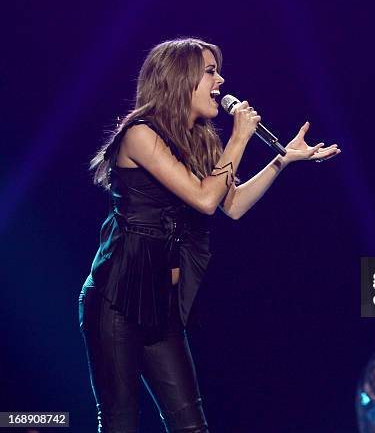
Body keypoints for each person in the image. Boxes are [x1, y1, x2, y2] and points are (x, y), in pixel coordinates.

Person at [79, 37, 340, 433]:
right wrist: (238, 138)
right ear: (180, 79)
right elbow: (204, 200)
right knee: (121, 422)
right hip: (117, 298)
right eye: (210, 71)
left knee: (190, 423)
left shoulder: (200, 138)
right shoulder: (140, 134)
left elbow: (229, 204)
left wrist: (282, 160)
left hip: (161, 302)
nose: (221, 80)